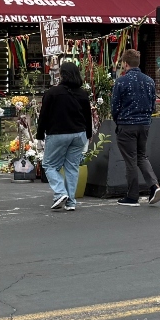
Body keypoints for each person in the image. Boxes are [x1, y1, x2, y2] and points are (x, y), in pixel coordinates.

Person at [36, 59, 94, 211]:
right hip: (79, 134)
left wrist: (39, 135)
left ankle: (60, 192)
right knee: (72, 168)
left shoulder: (52, 93)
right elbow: (87, 116)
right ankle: (71, 202)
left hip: (58, 133)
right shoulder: (82, 94)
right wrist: (88, 134)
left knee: (49, 165)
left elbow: (44, 116)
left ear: (61, 75)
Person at [110, 49, 160, 207]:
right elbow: (153, 105)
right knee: (141, 156)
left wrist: (118, 120)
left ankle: (132, 196)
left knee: (131, 161)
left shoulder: (121, 82)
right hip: (144, 124)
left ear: (125, 64)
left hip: (127, 124)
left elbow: (115, 106)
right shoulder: (149, 81)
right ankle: (154, 186)